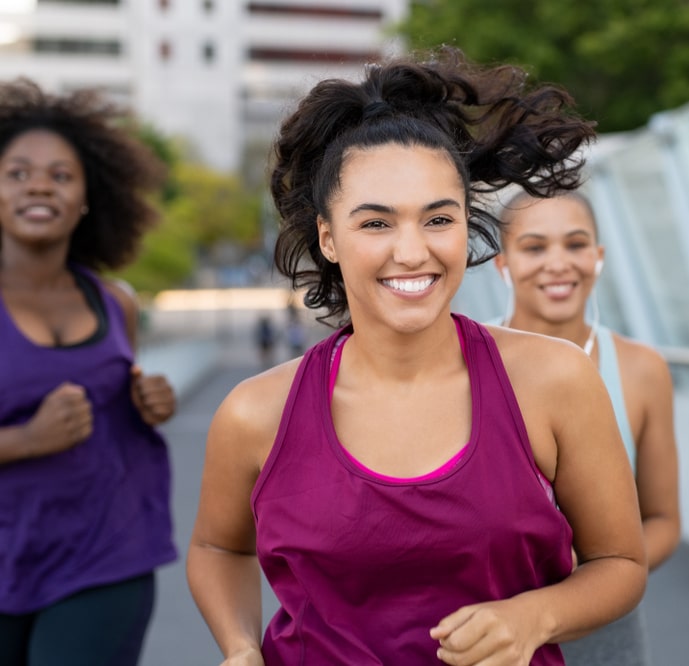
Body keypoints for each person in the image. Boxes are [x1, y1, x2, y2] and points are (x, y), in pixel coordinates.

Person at [186, 47, 647, 665]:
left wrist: (535, 616)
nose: (412, 251)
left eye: (438, 219)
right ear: (328, 237)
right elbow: (219, 549)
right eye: (376, 224)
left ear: (466, 226)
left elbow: (619, 563)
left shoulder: (555, 379)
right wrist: (240, 646)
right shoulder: (254, 414)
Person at [0, 78, 177, 665]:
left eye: (61, 174)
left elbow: (122, 398)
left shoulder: (115, 301)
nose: (39, 185)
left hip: (105, 556)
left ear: (85, 198)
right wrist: (26, 440)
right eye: (18, 172)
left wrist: (149, 401)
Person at [494, 190, 681, 666]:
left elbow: (662, 519)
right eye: (534, 248)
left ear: (597, 257)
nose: (558, 263)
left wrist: (597, 571)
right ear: (502, 264)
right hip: (490, 629)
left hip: (605, 635)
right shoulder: (462, 362)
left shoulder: (642, 370)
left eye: (575, 245)